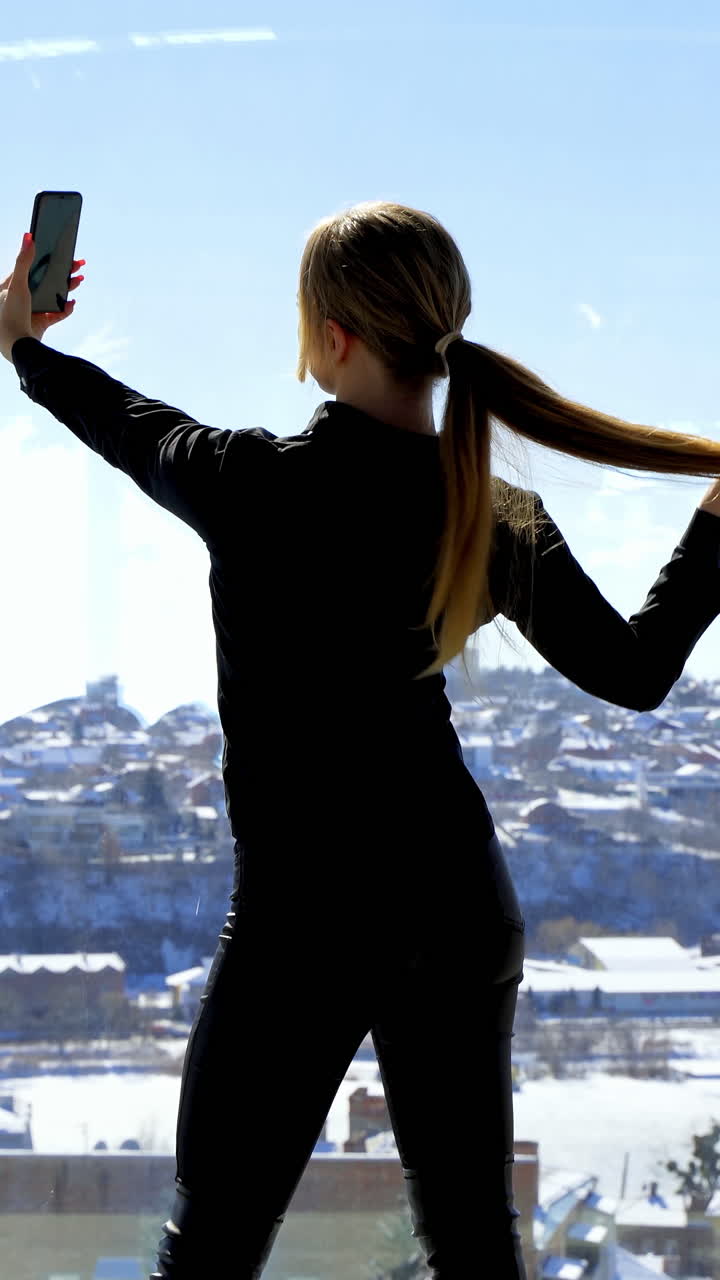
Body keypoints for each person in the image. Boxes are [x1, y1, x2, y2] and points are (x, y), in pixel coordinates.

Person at [3, 204, 720, 1279]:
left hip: (303, 924)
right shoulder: (489, 506)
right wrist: (713, 529)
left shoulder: (250, 482)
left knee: (211, 1251)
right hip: (457, 905)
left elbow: (129, 421)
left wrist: (23, 341)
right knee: (478, 1249)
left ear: (331, 336)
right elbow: (636, 670)